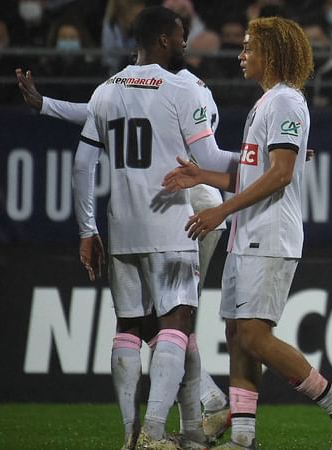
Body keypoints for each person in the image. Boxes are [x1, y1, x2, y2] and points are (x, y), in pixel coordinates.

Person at [162, 16, 332, 450]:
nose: (241, 54)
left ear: (270, 53)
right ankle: (244, 436)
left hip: (270, 235)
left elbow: (281, 174)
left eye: (250, 47)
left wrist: (221, 213)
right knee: (237, 336)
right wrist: (204, 176)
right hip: (248, 233)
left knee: (253, 335)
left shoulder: (287, 102)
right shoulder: (268, 102)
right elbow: (253, 173)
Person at [16, 64, 233, 445]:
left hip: (184, 208)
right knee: (175, 323)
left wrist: (47, 105)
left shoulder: (149, 85)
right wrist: (45, 104)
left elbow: (98, 120)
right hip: (179, 208)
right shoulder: (180, 86)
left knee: (162, 322)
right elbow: (100, 112)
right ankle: (203, 412)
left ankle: (170, 423)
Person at [73, 6, 242, 449]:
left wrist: (87, 230)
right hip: (171, 223)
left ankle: (130, 437)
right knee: (176, 321)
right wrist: (261, 163)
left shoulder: (105, 91)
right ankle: (153, 433)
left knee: (128, 327)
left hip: (121, 226)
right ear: (165, 39)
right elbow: (208, 161)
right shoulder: (180, 88)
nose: (185, 43)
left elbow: (82, 165)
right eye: (181, 36)